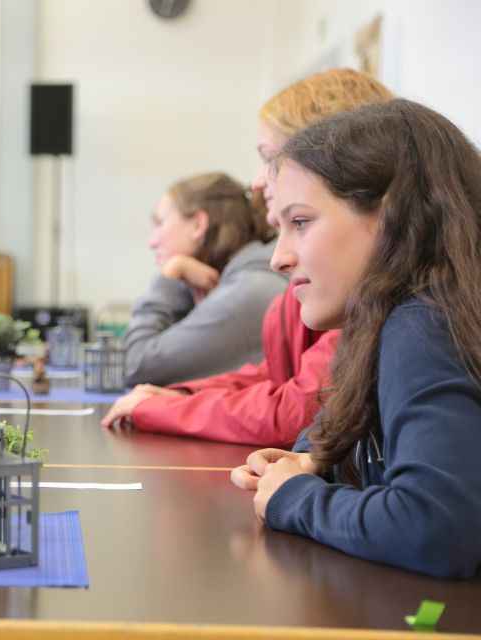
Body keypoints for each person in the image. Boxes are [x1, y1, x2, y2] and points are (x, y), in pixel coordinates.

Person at [231, 99, 481, 578]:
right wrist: (312, 458)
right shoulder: (388, 320)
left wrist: (294, 498)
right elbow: (340, 426)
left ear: (390, 218)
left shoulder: (425, 325)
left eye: (300, 222)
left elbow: (435, 529)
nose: (278, 258)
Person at [102, 68, 393, 446]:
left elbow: (297, 407)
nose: (256, 182)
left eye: (270, 158)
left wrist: (167, 407)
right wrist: (184, 396)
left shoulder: (287, 287)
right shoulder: (314, 285)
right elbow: (277, 375)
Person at [123, 172, 285, 386]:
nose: (152, 242)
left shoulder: (242, 294)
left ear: (198, 225)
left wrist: (169, 275)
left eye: (160, 223)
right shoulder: (244, 281)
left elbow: (136, 365)